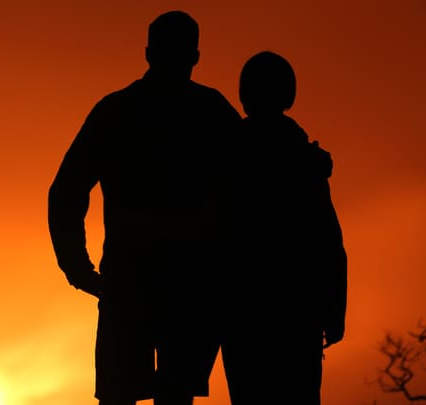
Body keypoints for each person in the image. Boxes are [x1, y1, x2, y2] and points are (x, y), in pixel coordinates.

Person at [47, 10, 242, 405]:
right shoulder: (212, 112)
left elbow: (66, 191)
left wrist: (78, 267)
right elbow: (256, 188)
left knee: (120, 396)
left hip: (135, 281)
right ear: (196, 56)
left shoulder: (116, 111)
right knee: (173, 397)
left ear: (148, 52)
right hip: (187, 285)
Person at [219, 51, 348, 405]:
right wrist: (334, 310)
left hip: (242, 311)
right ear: (288, 95)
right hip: (296, 310)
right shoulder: (305, 160)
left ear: (244, 95)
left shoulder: (224, 157)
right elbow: (328, 241)